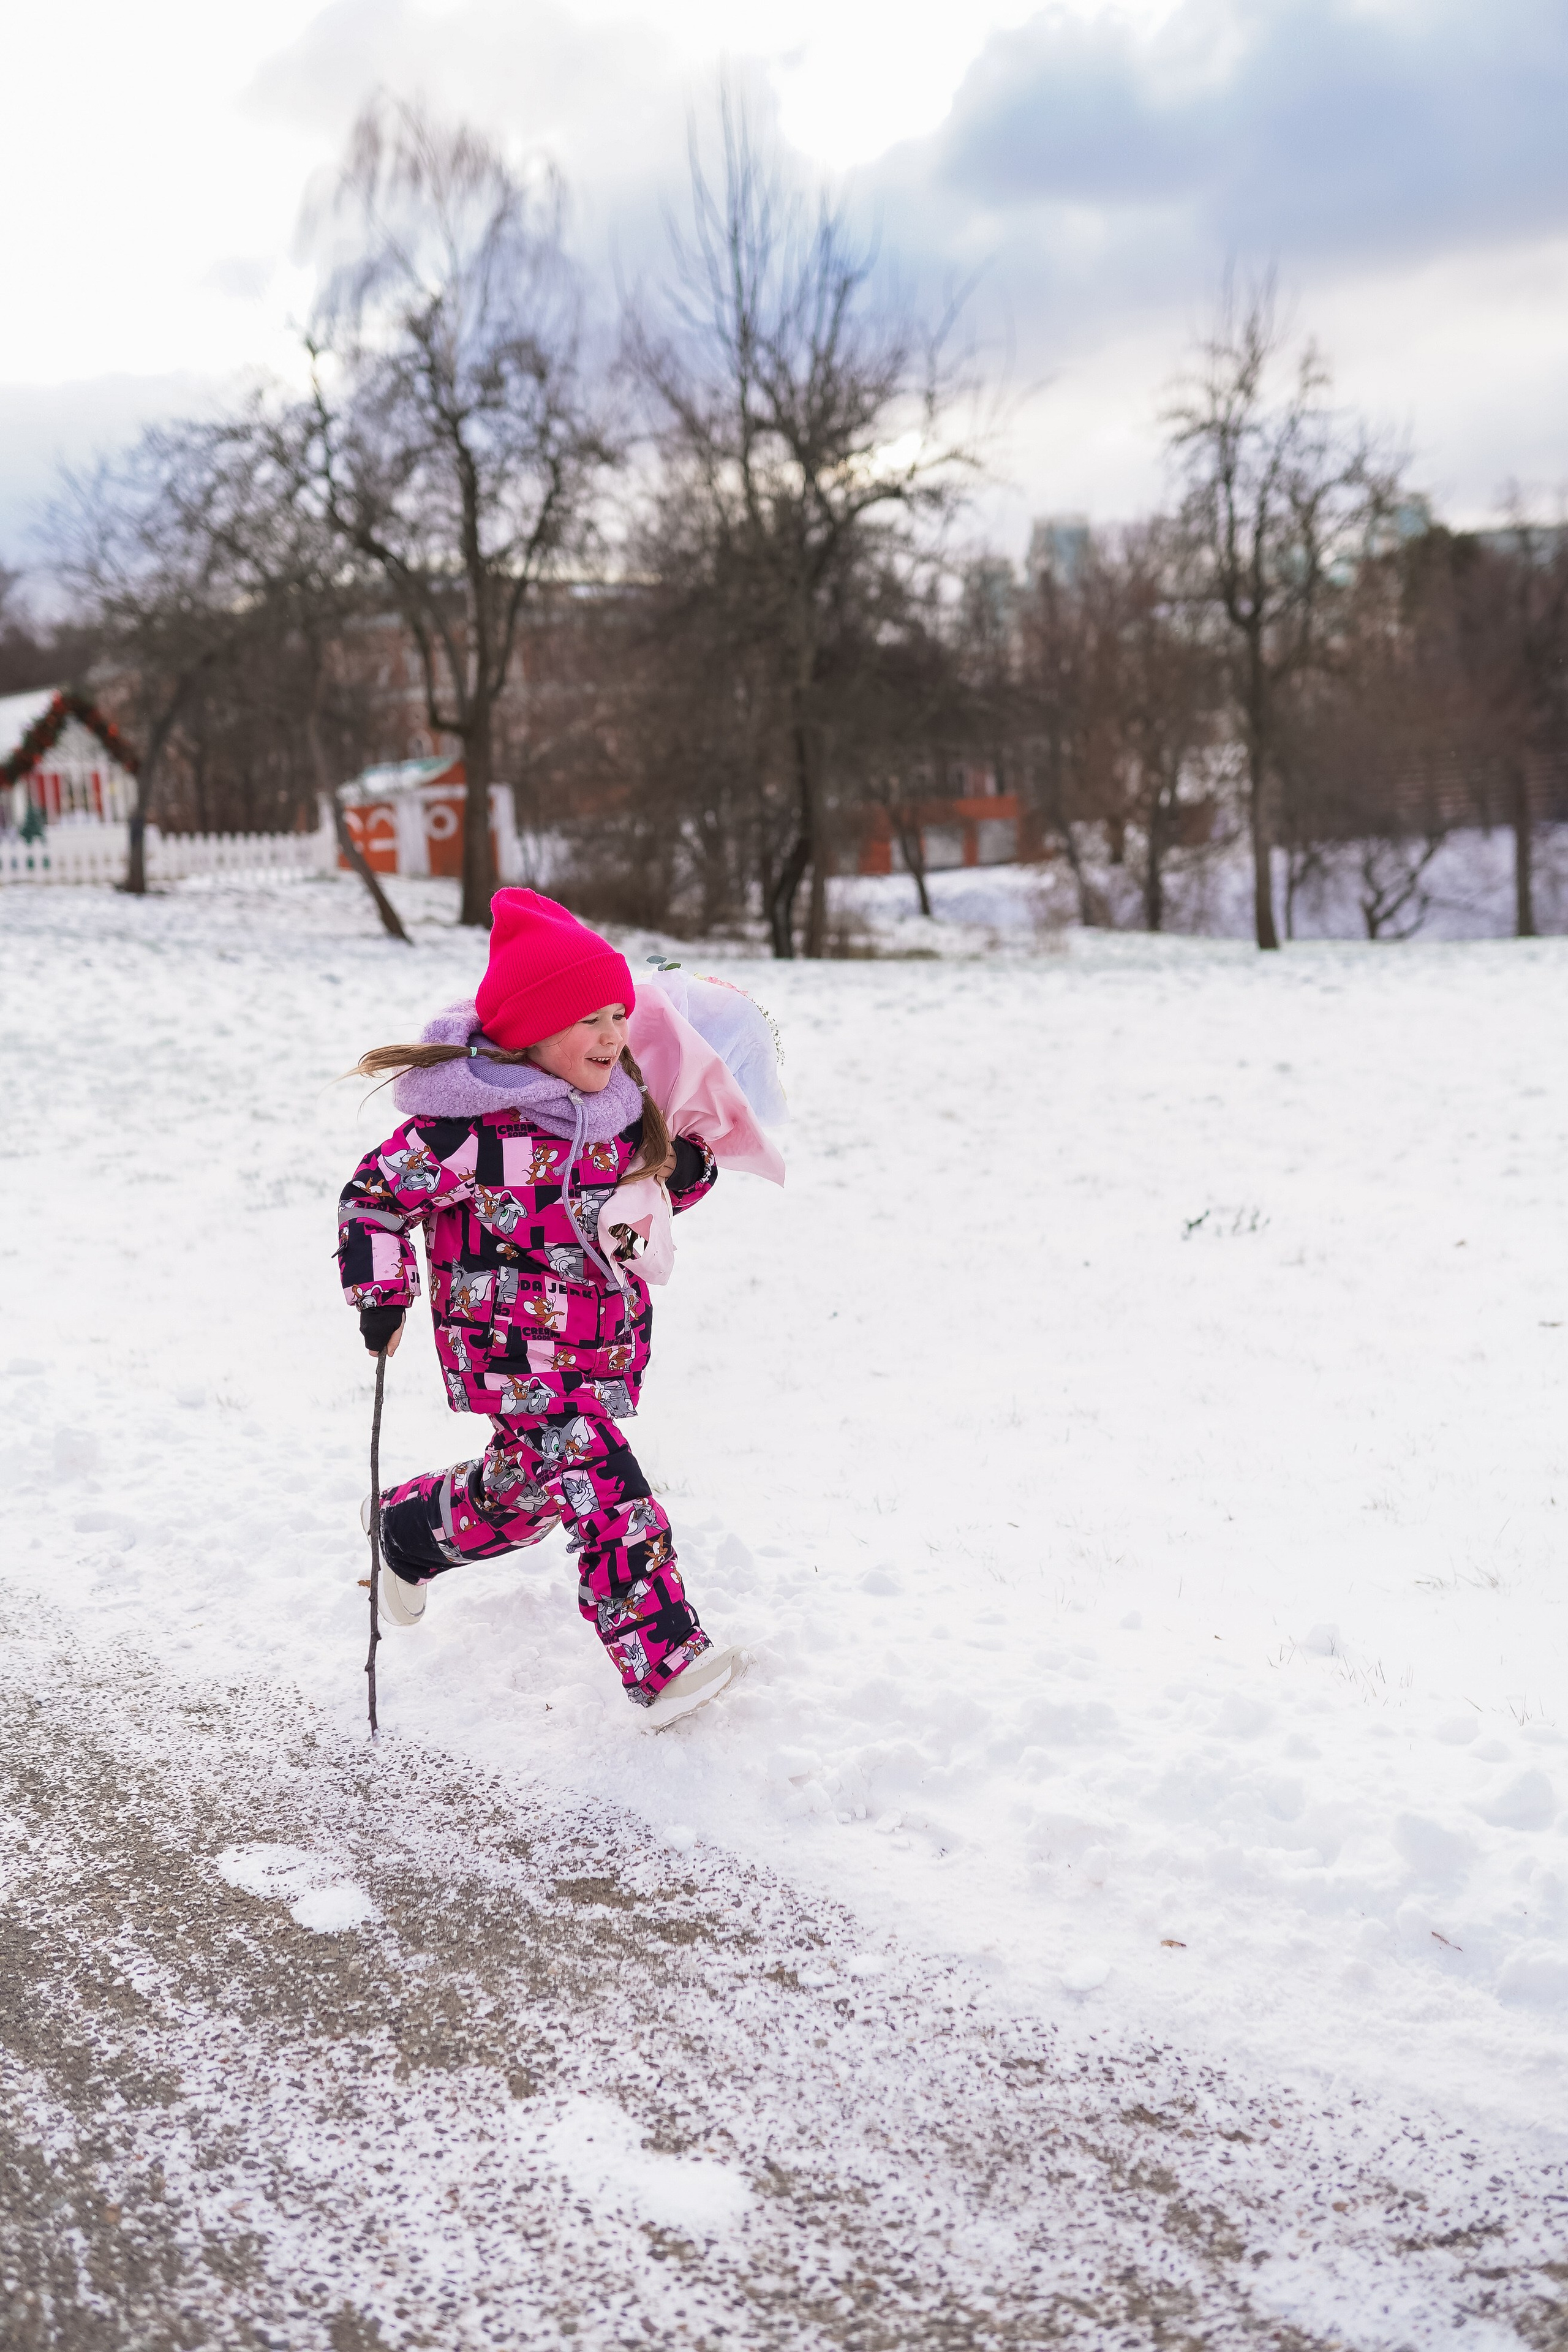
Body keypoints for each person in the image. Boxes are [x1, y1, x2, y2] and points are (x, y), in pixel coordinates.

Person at [337, 888, 744, 1731]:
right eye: (585, 1019)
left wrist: (687, 1170)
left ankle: (408, 1533)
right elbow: (373, 1197)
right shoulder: (464, 1128)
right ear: (526, 1031)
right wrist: (381, 1297)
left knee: (525, 1494)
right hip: (509, 1354)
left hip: (593, 1348)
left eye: (616, 1015)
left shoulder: (613, 1114)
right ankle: (663, 1660)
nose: (609, 1037)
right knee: (602, 1483)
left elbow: (633, 1210)